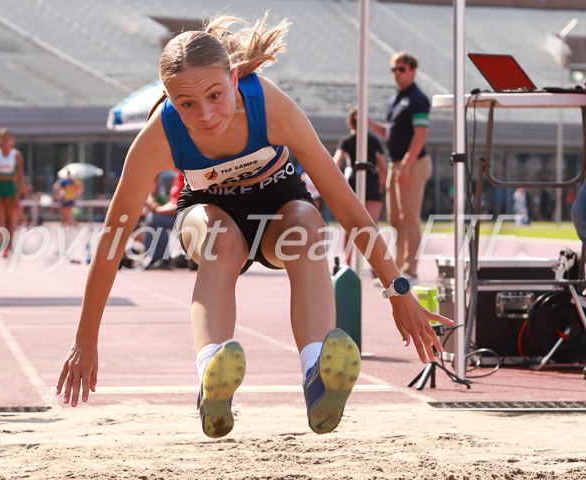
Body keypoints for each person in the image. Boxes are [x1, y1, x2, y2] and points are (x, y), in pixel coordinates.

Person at [56, 16, 449, 439]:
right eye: (186, 103)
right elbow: (113, 239)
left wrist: (398, 291)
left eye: (215, 95)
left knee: (310, 227)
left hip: (279, 207)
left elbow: (347, 206)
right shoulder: (159, 135)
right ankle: (212, 377)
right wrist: (85, 339)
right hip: (208, 213)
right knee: (221, 240)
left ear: (235, 76)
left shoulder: (269, 105)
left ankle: (317, 373)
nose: (205, 115)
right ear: (166, 97)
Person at [368, 51, 432, 286]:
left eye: (402, 69)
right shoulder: (396, 97)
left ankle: (410, 271)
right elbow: (389, 132)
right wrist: (370, 123)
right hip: (396, 163)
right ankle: (398, 271)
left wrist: (406, 164)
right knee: (394, 219)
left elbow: (421, 133)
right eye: (394, 69)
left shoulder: (417, 98)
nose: (397, 73)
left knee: (409, 218)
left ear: (412, 71)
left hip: (412, 163)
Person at [333, 107, 386, 224]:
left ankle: (347, 244)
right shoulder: (373, 140)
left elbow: (336, 163)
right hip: (372, 182)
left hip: (353, 181)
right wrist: (380, 187)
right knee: (371, 227)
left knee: (350, 226)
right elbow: (382, 167)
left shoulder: (346, 141)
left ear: (349, 122)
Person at [0, 128, 24, 255]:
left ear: (12, 140)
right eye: (3, 138)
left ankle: (8, 243)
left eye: (8, 138)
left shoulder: (16, 155)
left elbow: (20, 176)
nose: (5, 140)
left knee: (9, 216)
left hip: (10, 185)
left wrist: (18, 194)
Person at [141, 170, 185, 269]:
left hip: (188, 217)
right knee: (152, 217)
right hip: (179, 216)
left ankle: (162, 259)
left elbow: (183, 205)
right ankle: (153, 258)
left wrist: (158, 209)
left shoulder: (188, 174)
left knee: (155, 219)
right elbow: (174, 202)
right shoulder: (178, 175)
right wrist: (159, 209)